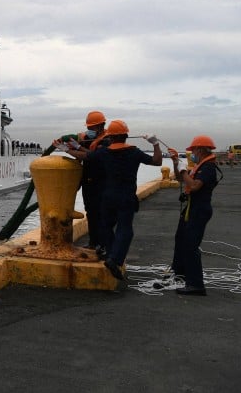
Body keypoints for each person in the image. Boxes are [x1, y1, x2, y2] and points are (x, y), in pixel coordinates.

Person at [65, 120, 161, 280]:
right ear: (126, 136)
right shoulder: (134, 152)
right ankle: (114, 259)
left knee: (105, 227)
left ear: (110, 136)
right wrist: (155, 143)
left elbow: (86, 156)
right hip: (126, 196)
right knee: (125, 229)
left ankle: (110, 255)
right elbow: (157, 161)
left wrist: (68, 149)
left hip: (107, 196)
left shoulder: (104, 153)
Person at [168, 135, 222, 296]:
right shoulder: (200, 165)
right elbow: (180, 179)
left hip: (199, 210)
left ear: (200, 149)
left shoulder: (208, 168)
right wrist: (176, 163)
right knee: (181, 239)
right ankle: (180, 271)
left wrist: (185, 170)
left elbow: (194, 185)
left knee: (191, 246)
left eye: (193, 150)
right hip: (191, 209)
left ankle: (196, 284)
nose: (192, 153)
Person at [52, 110, 109, 253]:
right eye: (88, 128)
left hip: (101, 181)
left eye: (91, 128)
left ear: (100, 126)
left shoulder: (107, 140)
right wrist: (76, 146)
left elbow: (90, 157)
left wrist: (67, 150)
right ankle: (93, 242)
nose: (89, 130)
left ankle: (102, 244)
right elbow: (87, 152)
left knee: (100, 213)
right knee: (91, 212)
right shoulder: (94, 138)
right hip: (89, 180)